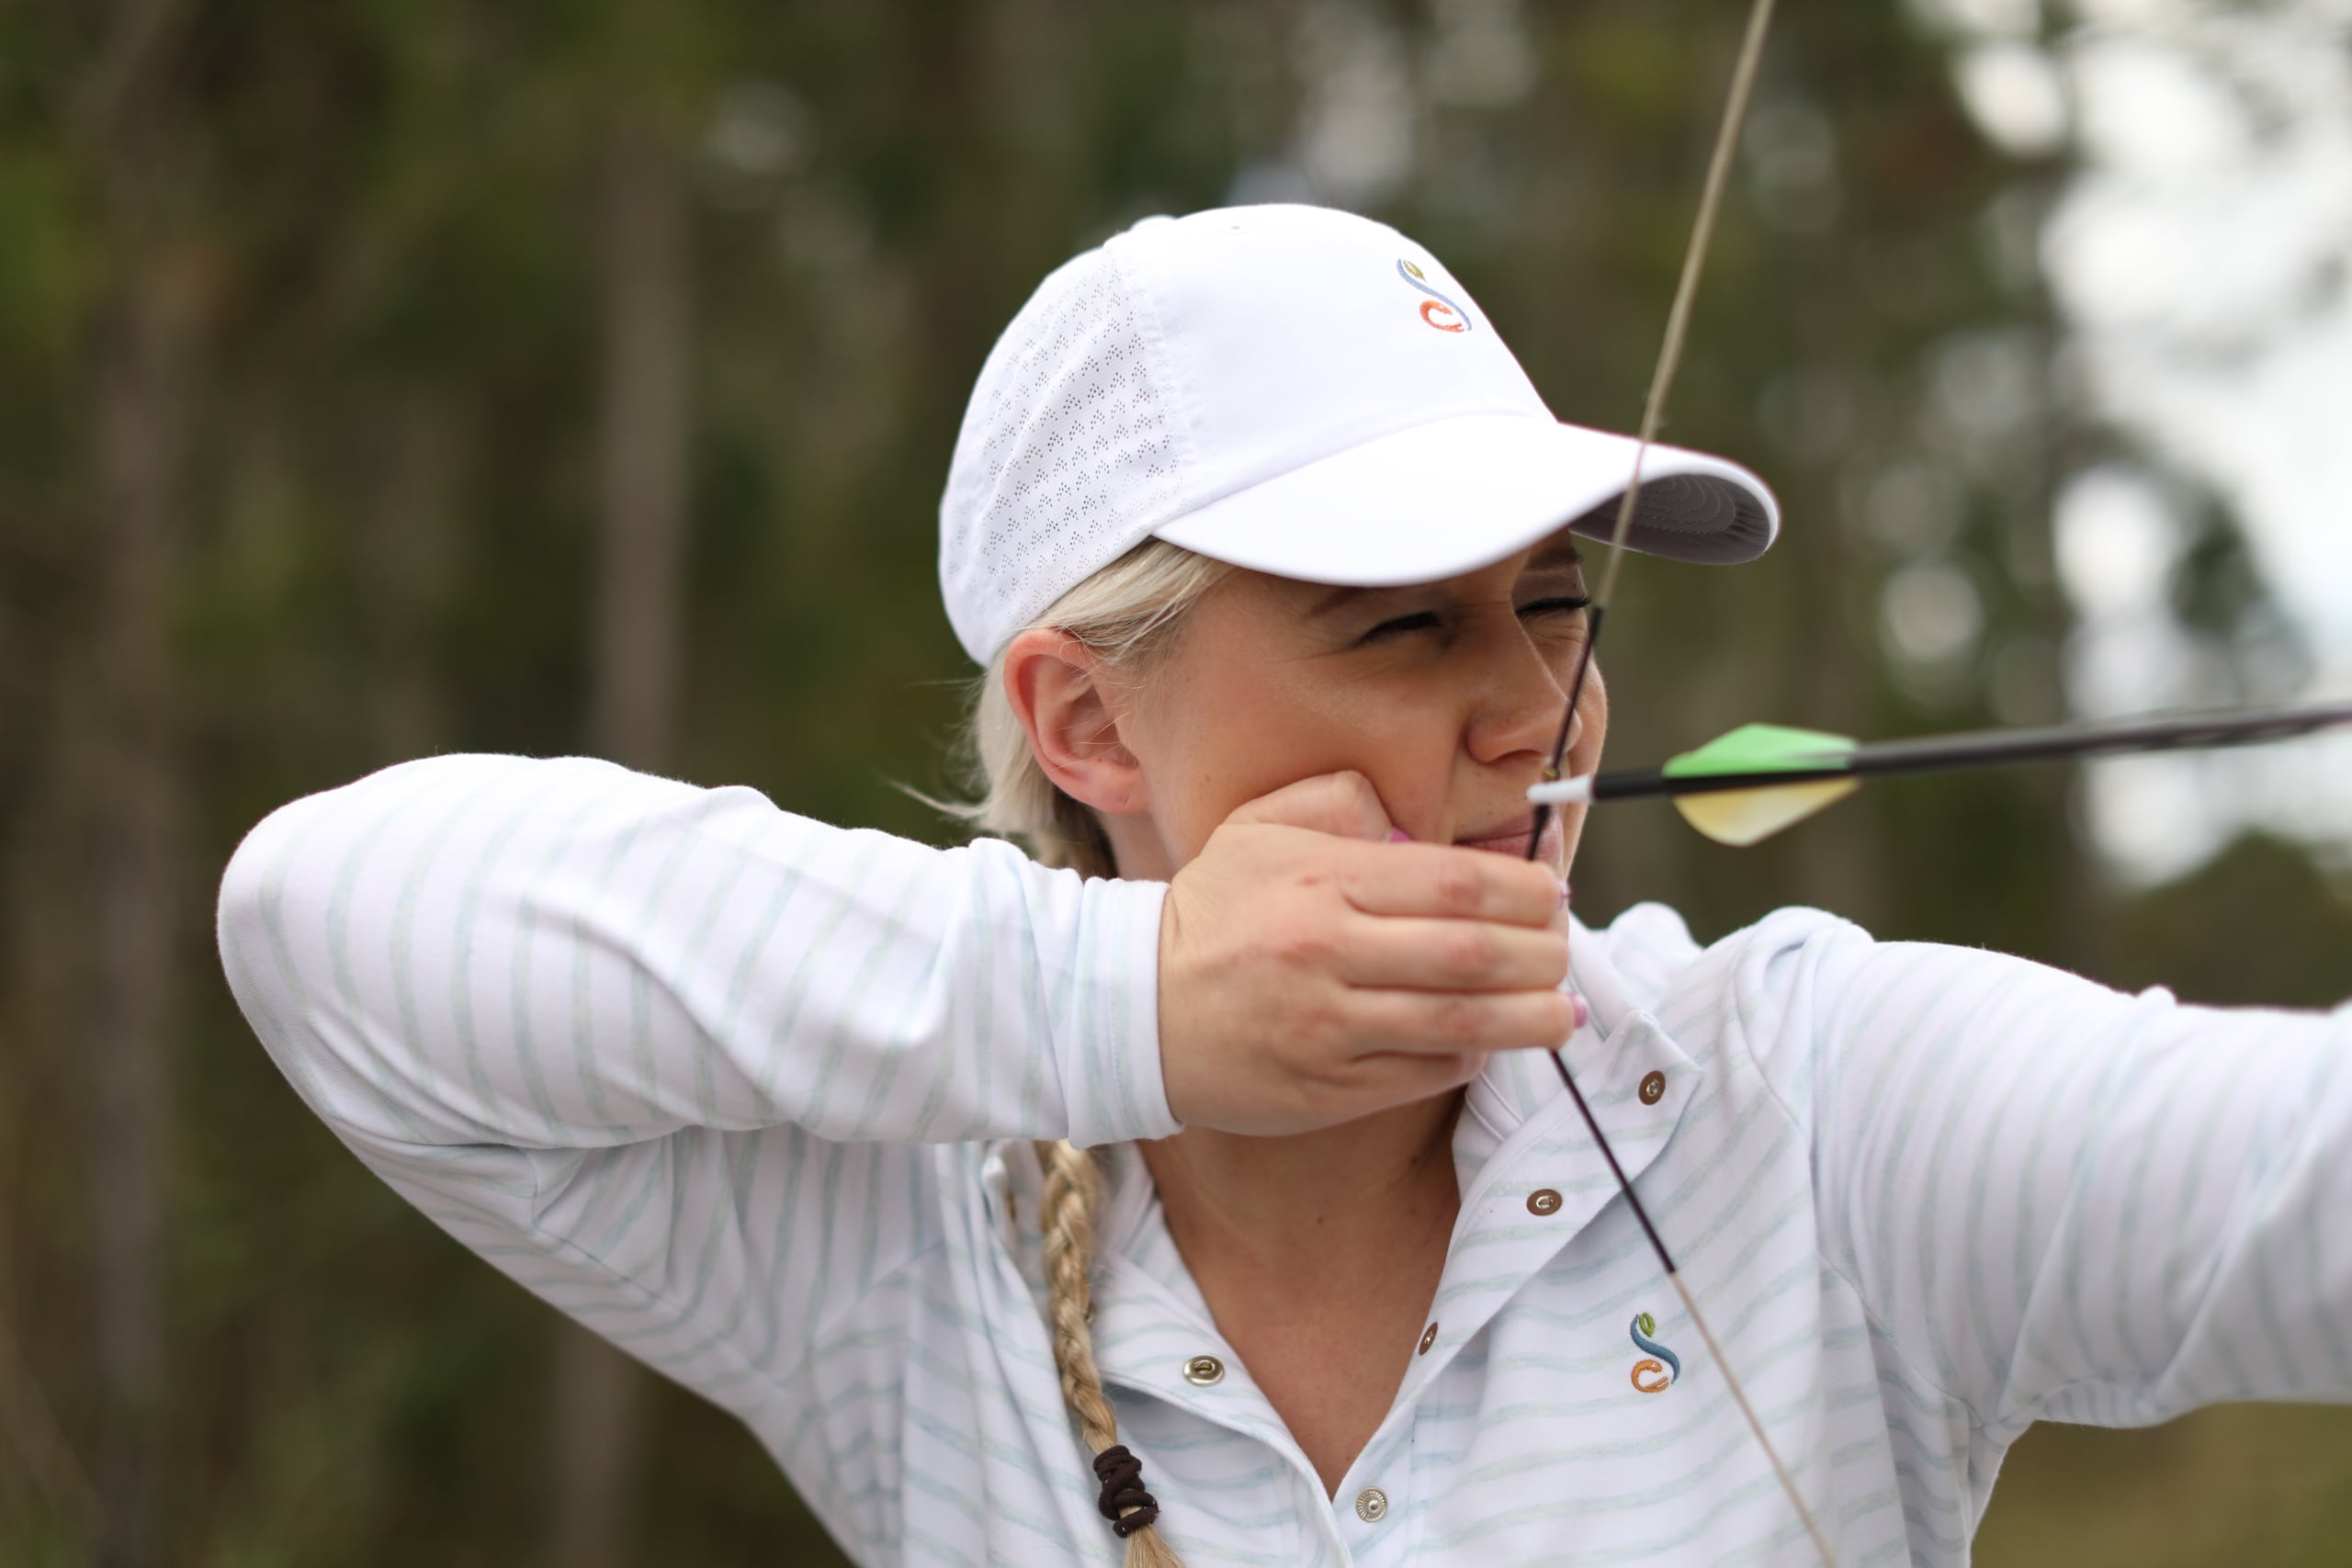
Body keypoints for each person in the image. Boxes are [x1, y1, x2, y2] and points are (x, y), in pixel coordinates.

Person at [216, 205, 2352, 1567]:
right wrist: (1131, 1001)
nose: (1543, 712)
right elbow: (328, 918)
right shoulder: (905, 1235)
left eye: (1552, 606)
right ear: (1088, 727)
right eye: (1404, 629)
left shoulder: (1813, 1104)